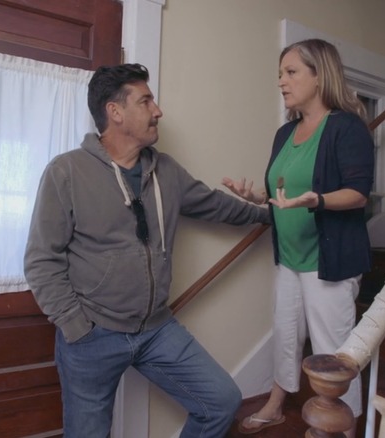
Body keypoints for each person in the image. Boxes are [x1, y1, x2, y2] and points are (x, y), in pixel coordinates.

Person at [24, 63, 270, 438]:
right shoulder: (66, 172)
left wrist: (269, 216)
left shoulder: (166, 172)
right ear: (115, 111)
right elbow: (42, 261)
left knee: (220, 401)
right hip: (93, 333)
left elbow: (217, 206)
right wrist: (76, 327)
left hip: (157, 328)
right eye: (146, 100)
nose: (158, 111)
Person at [222, 39, 374, 437]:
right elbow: (283, 193)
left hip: (330, 261)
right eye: (280, 74)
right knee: (286, 338)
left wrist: (318, 199)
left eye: (291, 73)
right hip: (289, 257)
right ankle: (275, 405)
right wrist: (256, 197)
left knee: (335, 353)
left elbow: (358, 192)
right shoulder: (285, 133)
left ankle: (345, 428)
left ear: (320, 76)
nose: (282, 82)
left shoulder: (346, 126)